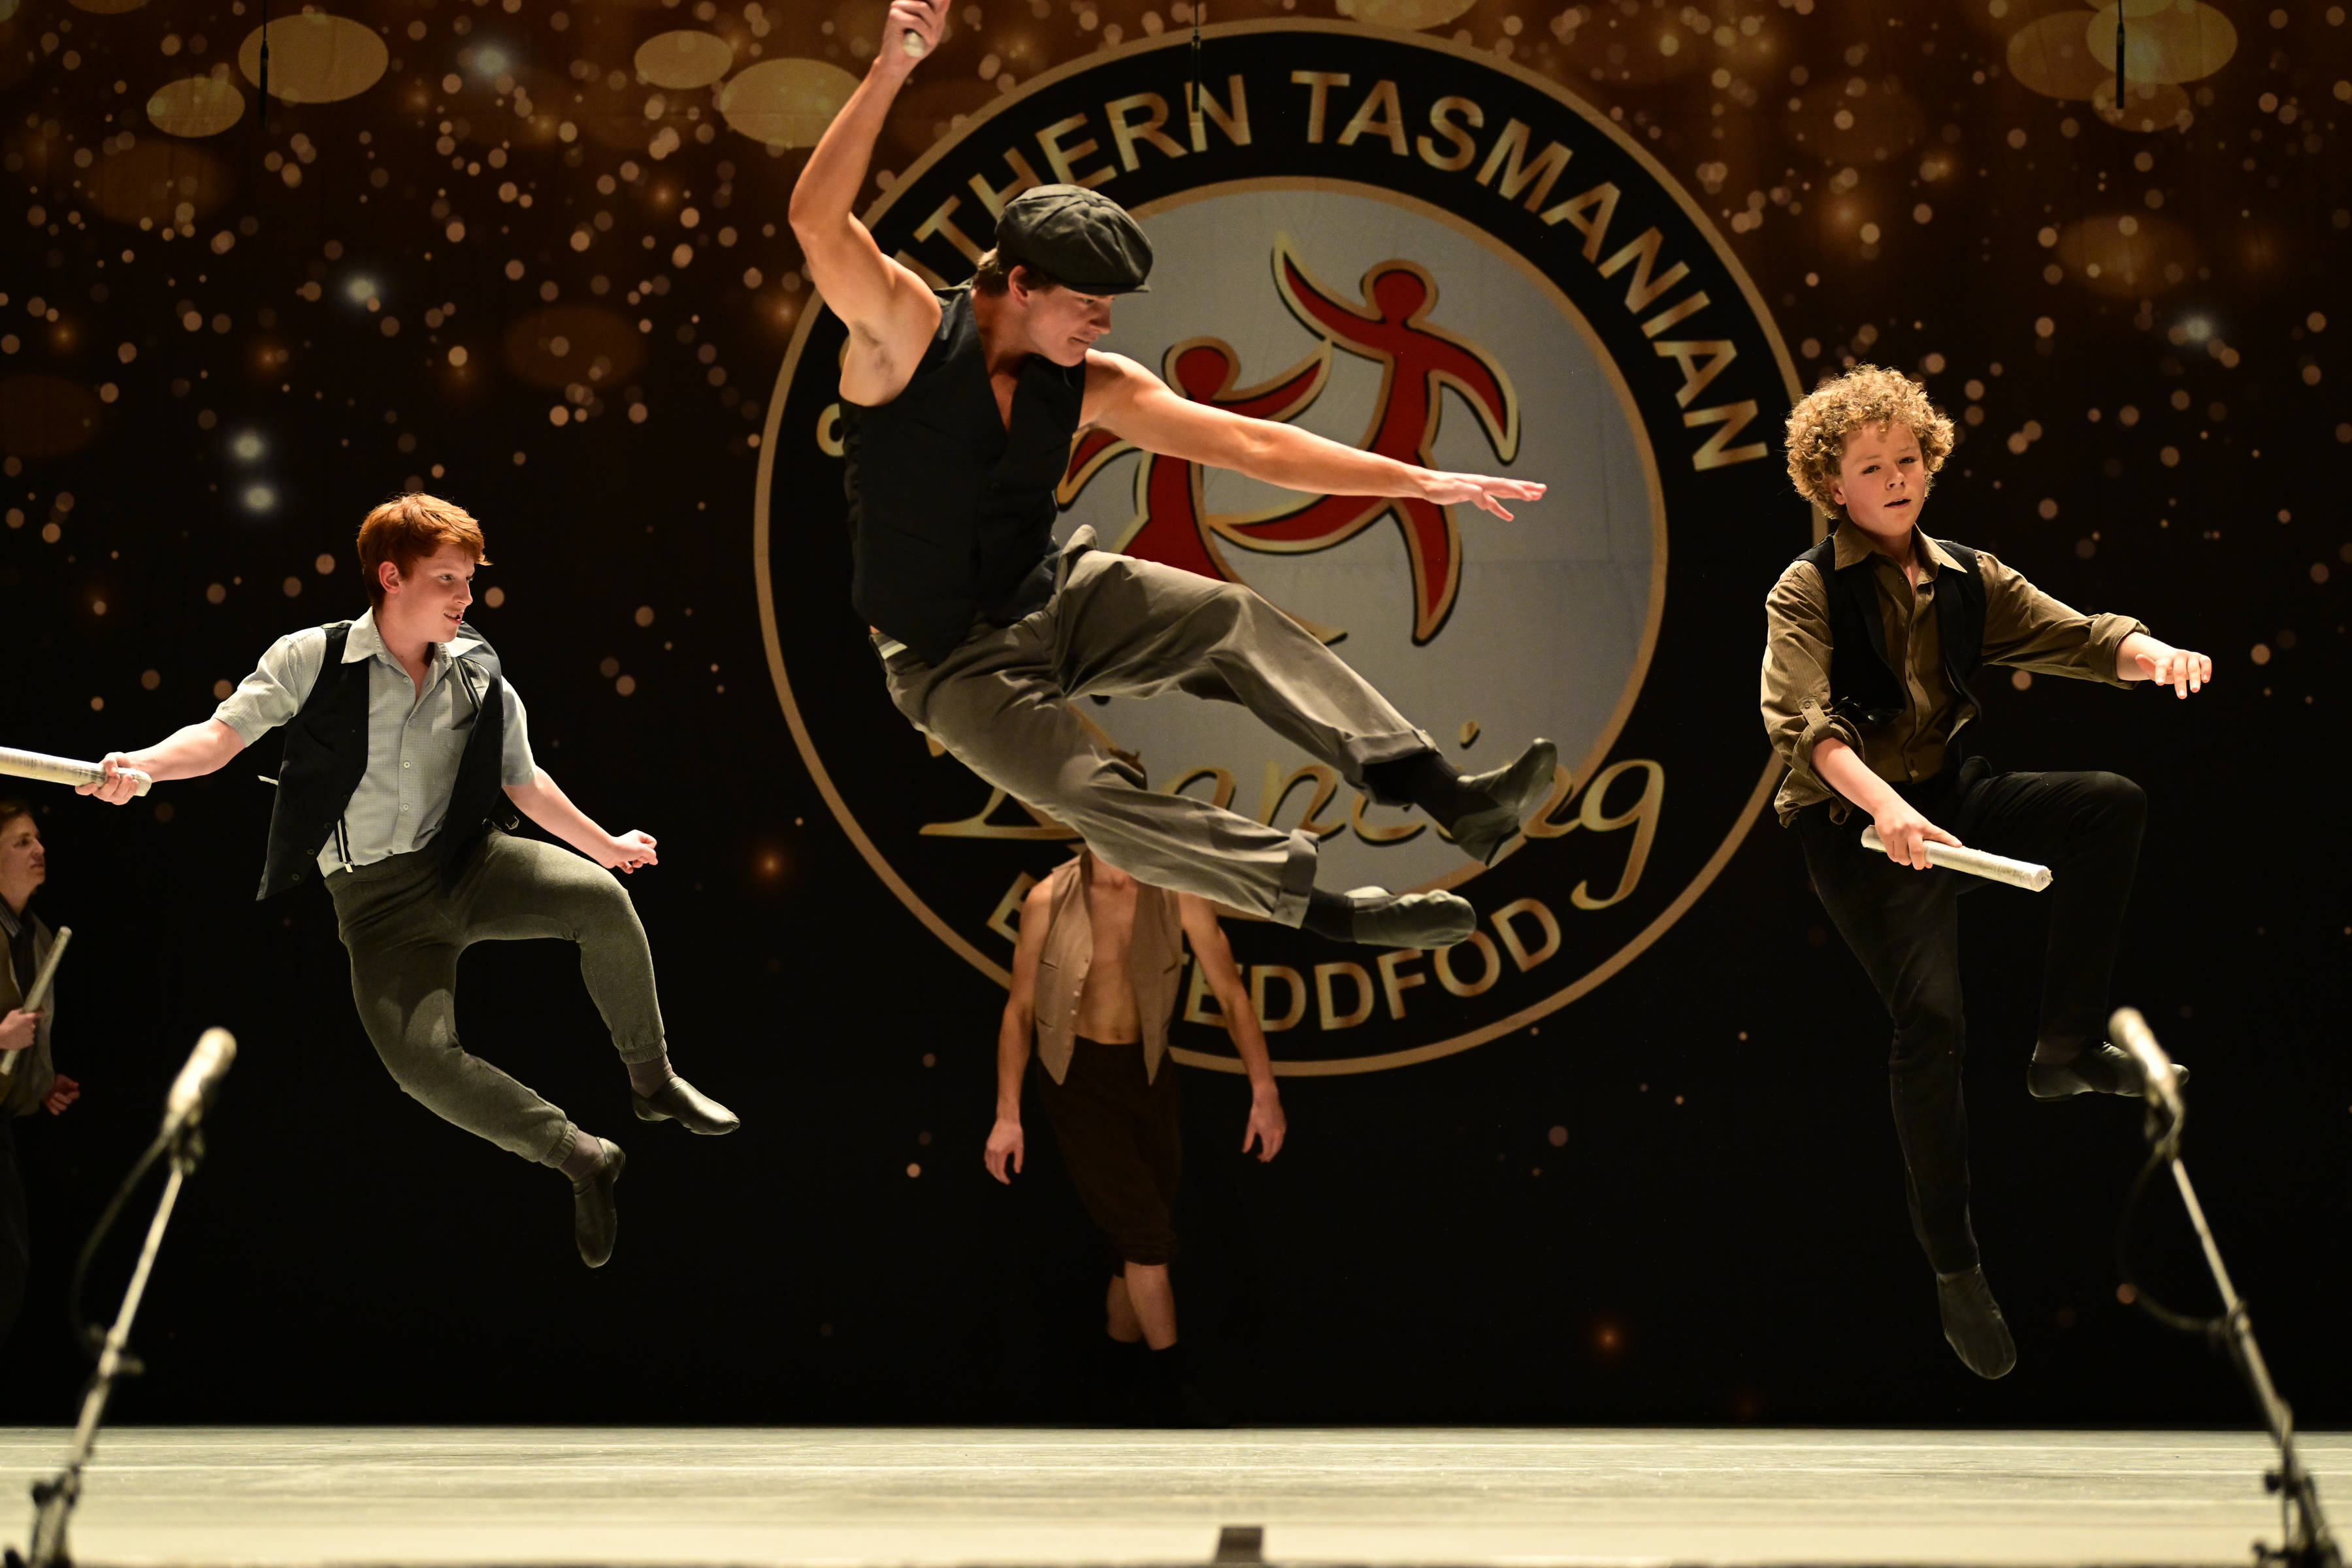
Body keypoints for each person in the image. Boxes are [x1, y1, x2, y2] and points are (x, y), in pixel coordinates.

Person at [787, 0, 1558, 953]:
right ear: (1019, 285)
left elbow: (1255, 447)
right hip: (948, 660)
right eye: (1086, 304)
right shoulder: (902, 337)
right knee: (1093, 798)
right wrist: (891, 70)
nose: (1103, 327)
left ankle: (1453, 800)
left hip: (1054, 599)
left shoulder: (1091, 382)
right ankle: (1327, 909)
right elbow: (818, 223)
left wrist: (1418, 481)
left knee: (1227, 618)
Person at [79, 495, 736, 1269]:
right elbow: (220, 740)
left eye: (469, 581)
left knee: (601, 899)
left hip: (467, 864)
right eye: (449, 581)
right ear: (391, 577)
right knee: (418, 1062)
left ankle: (652, 1081)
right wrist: (140, 768)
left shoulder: (477, 670)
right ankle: (583, 1157)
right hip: (378, 905)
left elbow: (523, 782)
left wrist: (606, 846)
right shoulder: (312, 658)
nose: (467, 598)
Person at [1760, 366, 2208, 1379]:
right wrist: (1887, 808)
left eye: (1908, 459)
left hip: (1947, 799)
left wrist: (2153, 652)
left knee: (2109, 803)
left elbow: (2078, 639)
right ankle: (1957, 1268)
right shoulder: (1808, 589)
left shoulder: (1966, 573)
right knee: (1935, 1023)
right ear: (1833, 486)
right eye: (1871, 467)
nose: (1897, 479)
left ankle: (2063, 1049)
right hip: (1853, 824)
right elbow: (1803, 727)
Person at [986, 838, 1284, 1419]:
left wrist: (1265, 1090)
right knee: (1148, 1239)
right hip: (1076, 1077)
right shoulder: (1050, 897)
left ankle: (1114, 1383)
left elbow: (1232, 994)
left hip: (1149, 1074)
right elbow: (1019, 1008)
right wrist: (1007, 1114)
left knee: (1135, 1246)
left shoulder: (1178, 890)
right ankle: (1178, 1392)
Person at [0, 802, 82, 1345]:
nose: (39, 850)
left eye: (37, 839)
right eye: (21, 842)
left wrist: (38, 1081)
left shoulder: (37, 936)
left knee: (9, 1266)